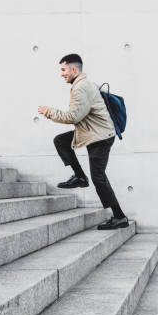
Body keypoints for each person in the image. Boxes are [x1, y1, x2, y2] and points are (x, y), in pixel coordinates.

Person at [38, 53, 128, 230]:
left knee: (99, 177)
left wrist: (48, 111)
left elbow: (73, 116)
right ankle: (79, 176)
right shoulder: (83, 84)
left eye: (63, 70)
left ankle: (119, 217)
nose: (61, 74)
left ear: (73, 69)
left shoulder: (80, 87)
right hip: (91, 133)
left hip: (100, 137)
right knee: (61, 141)